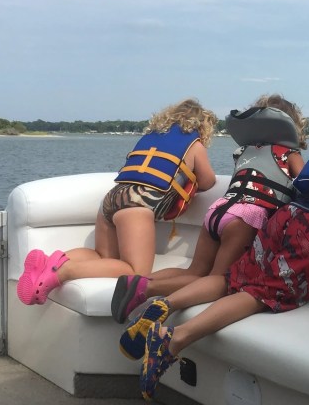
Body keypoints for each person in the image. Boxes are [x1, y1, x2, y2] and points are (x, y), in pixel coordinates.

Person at [128, 89, 309, 401]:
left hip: (285, 216)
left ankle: (164, 304)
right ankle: (173, 342)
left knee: (232, 278)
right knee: (261, 295)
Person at [113, 94, 308, 358]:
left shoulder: (244, 151)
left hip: (218, 210)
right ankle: (151, 292)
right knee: (220, 281)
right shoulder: (289, 153)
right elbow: (307, 186)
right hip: (246, 217)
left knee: (196, 270)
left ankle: (138, 283)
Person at [16, 98, 218, 306]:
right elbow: (208, 180)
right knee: (135, 271)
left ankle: (51, 261)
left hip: (112, 199)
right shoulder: (195, 145)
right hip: (137, 205)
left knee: (101, 256)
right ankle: (64, 272)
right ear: (201, 125)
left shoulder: (151, 137)